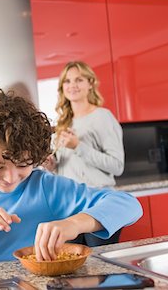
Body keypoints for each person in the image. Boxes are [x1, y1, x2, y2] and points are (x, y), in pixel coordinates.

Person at [0, 89, 142, 269]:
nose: (10, 177)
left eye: (23, 164)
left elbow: (129, 204)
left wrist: (74, 224)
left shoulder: (45, 186)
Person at [44, 61, 125, 246]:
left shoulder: (102, 117)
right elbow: (67, 169)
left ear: (90, 83)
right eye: (67, 81)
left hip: (98, 204)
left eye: (79, 80)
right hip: (69, 205)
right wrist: (51, 165)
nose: (72, 85)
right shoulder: (63, 122)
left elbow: (117, 166)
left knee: (101, 265)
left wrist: (78, 146)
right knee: (73, 267)